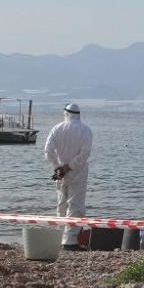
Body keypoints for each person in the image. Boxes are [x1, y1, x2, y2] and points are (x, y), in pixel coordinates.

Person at [43, 103, 92, 251]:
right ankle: (70, 241)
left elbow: (48, 151)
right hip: (77, 171)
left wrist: (57, 167)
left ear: (65, 113)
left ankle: (60, 236)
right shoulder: (85, 130)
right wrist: (68, 166)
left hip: (60, 174)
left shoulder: (56, 129)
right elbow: (84, 155)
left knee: (62, 203)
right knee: (76, 205)